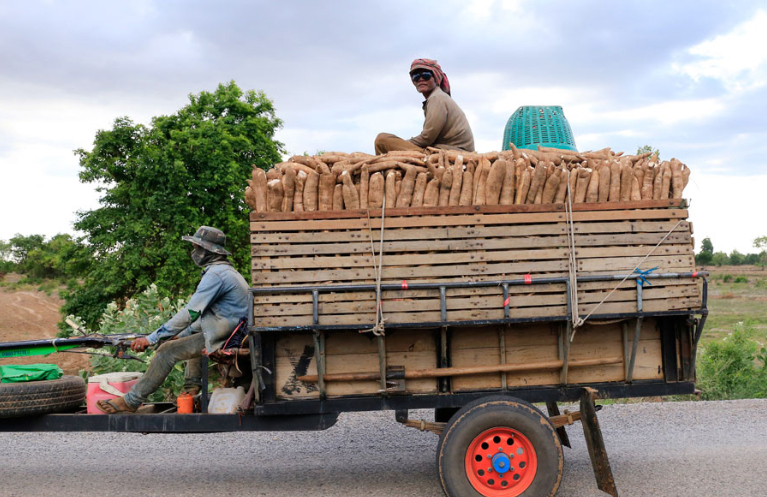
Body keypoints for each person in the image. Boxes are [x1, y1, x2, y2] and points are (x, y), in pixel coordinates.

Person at [97, 226, 251, 414]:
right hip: (230, 332)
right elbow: (204, 320)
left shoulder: (216, 275)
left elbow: (190, 314)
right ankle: (191, 389)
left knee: (165, 352)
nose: (194, 252)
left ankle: (130, 401)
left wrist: (151, 339)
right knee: (185, 342)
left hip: (228, 337)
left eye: (197, 248)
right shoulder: (226, 272)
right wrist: (178, 334)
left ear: (208, 251)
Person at [375, 58, 475, 155]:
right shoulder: (437, 97)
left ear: (436, 78)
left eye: (426, 75)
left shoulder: (437, 99)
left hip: (450, 152)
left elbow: (427, 138)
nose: (421, 79)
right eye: (416, 76)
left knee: (382, 140)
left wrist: (401, 144)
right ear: (413, 81)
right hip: (446, 150)